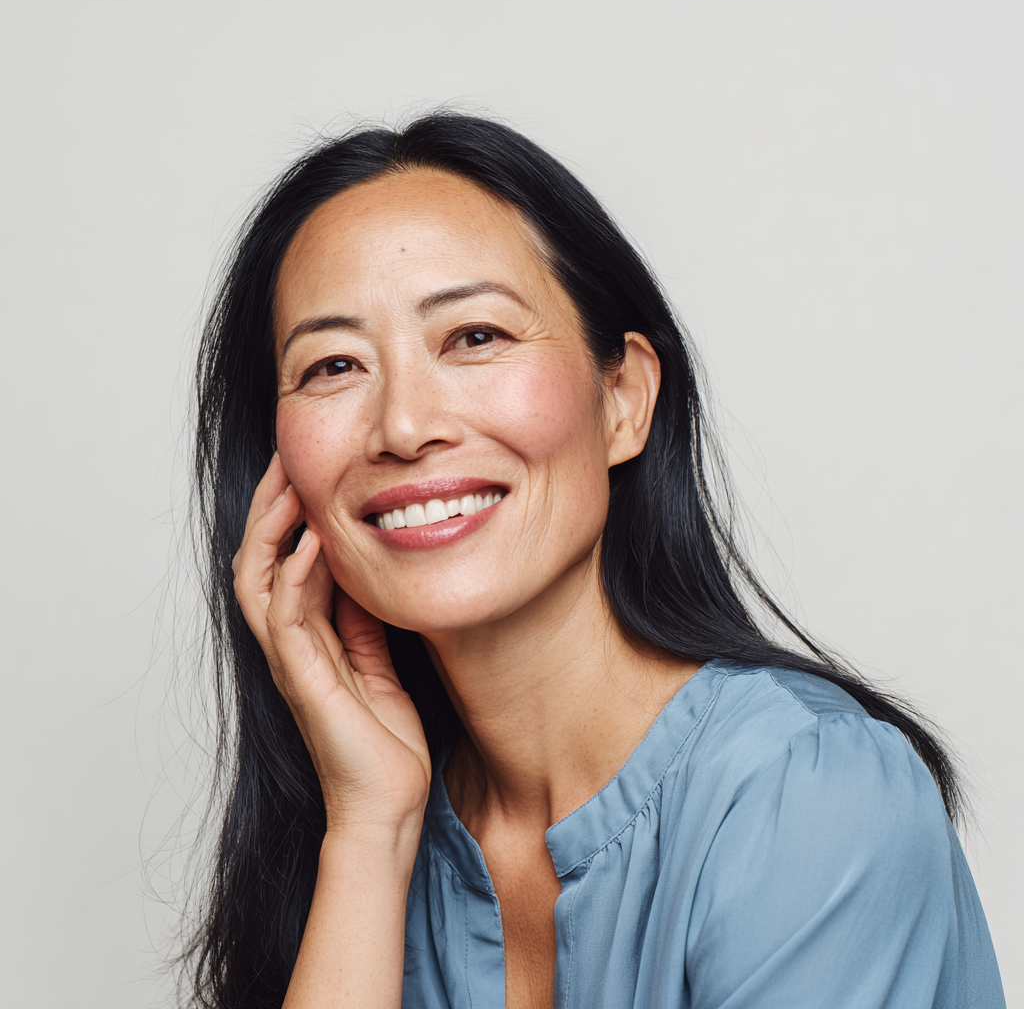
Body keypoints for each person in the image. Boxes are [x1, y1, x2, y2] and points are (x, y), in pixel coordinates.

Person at [184, 112, 1004, 1009]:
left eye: (476, 337)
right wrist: (370, 828)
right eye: (335, 365)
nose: (405, 427)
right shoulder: (372, 827)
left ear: (623, 399)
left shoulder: (808, 797)